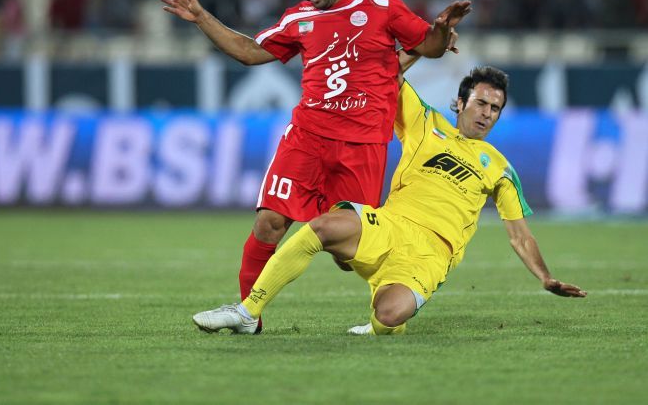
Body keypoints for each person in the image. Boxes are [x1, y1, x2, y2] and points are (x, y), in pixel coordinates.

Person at [161, 0, 472, 331]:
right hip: (307, 138)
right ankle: (248, 314)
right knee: (269, 222)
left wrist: (442, 30)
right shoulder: (298, 19)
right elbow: (249, 52)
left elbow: (429, 45)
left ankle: (405, 289)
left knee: (347, 255)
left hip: (362, 146)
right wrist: (202, 18)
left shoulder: (381, 6)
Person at [192, 66, 587, 335]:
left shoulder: (500, 167)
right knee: (323, 226)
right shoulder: (425, 123)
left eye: (495, 108)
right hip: (389, 225)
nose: (487, 114)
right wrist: (420, 35)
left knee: (388, 315)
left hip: (431, 255)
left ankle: (382, 322)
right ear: (460, 102)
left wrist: (545, 277)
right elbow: (388, 73)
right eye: (481, 103)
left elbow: (520, 236)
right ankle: (248, 311)